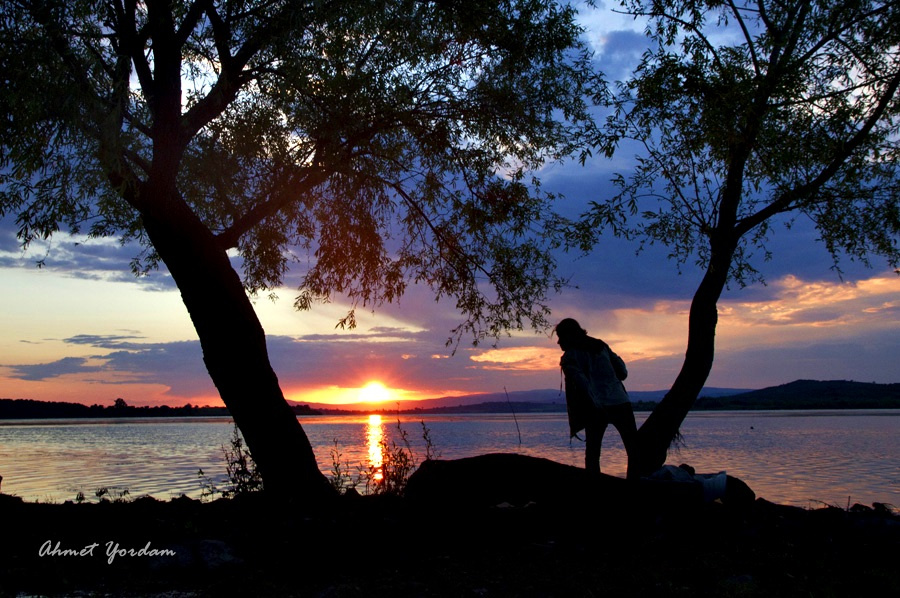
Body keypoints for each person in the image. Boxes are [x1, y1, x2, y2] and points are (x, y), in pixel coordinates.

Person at [555, 318, 638, 479]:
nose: (558, 342)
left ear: (569, 336)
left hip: (596, 407)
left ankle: (594, 490)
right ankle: (633, 486)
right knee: (633, 450)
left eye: (560, 337)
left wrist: (593, 402)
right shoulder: (601, 346)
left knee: (593, 453)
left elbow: (582, 385)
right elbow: (623, 372)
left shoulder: (569, 357)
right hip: (620, 401)